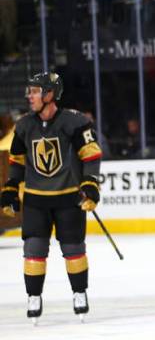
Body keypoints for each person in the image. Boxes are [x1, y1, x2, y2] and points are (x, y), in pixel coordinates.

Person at [1, 73, 103, 322]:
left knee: (73, 248)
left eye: (35, 91)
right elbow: (17, 161)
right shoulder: (24, 125)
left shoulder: (75, 122)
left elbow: (91, 155)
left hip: (69, 198)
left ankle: (80, 292)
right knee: (33, 249)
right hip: (36, 200)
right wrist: (11, 188)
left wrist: (90, 185)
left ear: (49, 95)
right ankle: (33, 296)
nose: (30, 96)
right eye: (30, 91)